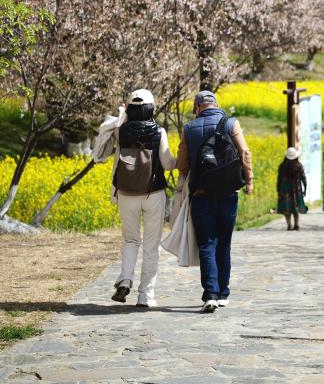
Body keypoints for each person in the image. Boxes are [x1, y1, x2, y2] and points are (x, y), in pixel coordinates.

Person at [95, 89, 176, 308]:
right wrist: (180, 160)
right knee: (151, 246)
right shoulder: (159, 132)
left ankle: (125, 279)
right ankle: (145, 296)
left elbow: (106, 140)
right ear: (152, 108)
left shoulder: (120, 131)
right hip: (154, 194)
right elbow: (168, 164)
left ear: (129, 108)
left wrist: (122, 114)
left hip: (126, 193)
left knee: (131, 240)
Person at [176, 90, 253, 313]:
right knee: (224, 244)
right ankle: (223, 293)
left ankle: (210, 294)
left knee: (206, 244)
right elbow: (245, 153)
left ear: (197, 108)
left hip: (201, 195)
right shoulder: (231, 123)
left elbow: (182, 164)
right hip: (228, 194)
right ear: (216, 105)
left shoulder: (189, 128)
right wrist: (249, 181)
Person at [277, 147, 307, 230]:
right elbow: (303, 178)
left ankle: (289, 225)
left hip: (285, 189)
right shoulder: (299, 165)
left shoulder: (282, 166)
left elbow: (279, 179)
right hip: (296, 189)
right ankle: (296, 224)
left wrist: (278, 189)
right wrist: (305, 188)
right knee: (295, 207)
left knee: (287, 208)